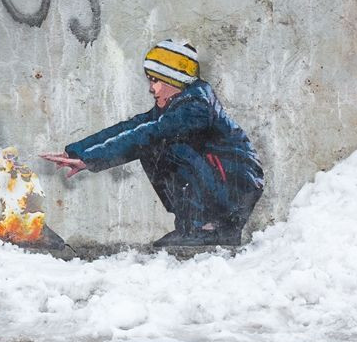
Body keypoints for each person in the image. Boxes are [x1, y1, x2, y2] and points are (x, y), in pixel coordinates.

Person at [41, 40, 264, 247]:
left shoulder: (195, 109)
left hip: (235, 189)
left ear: (175, 80)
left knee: (163, 145)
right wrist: (78, 151)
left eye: (156, 80)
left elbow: (146, 134)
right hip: (221, 182)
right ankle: (191, 227)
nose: (151, 88)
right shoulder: (176, 105)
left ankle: (210, 228)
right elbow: (130, 128)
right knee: (152, 144)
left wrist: (91, 159)